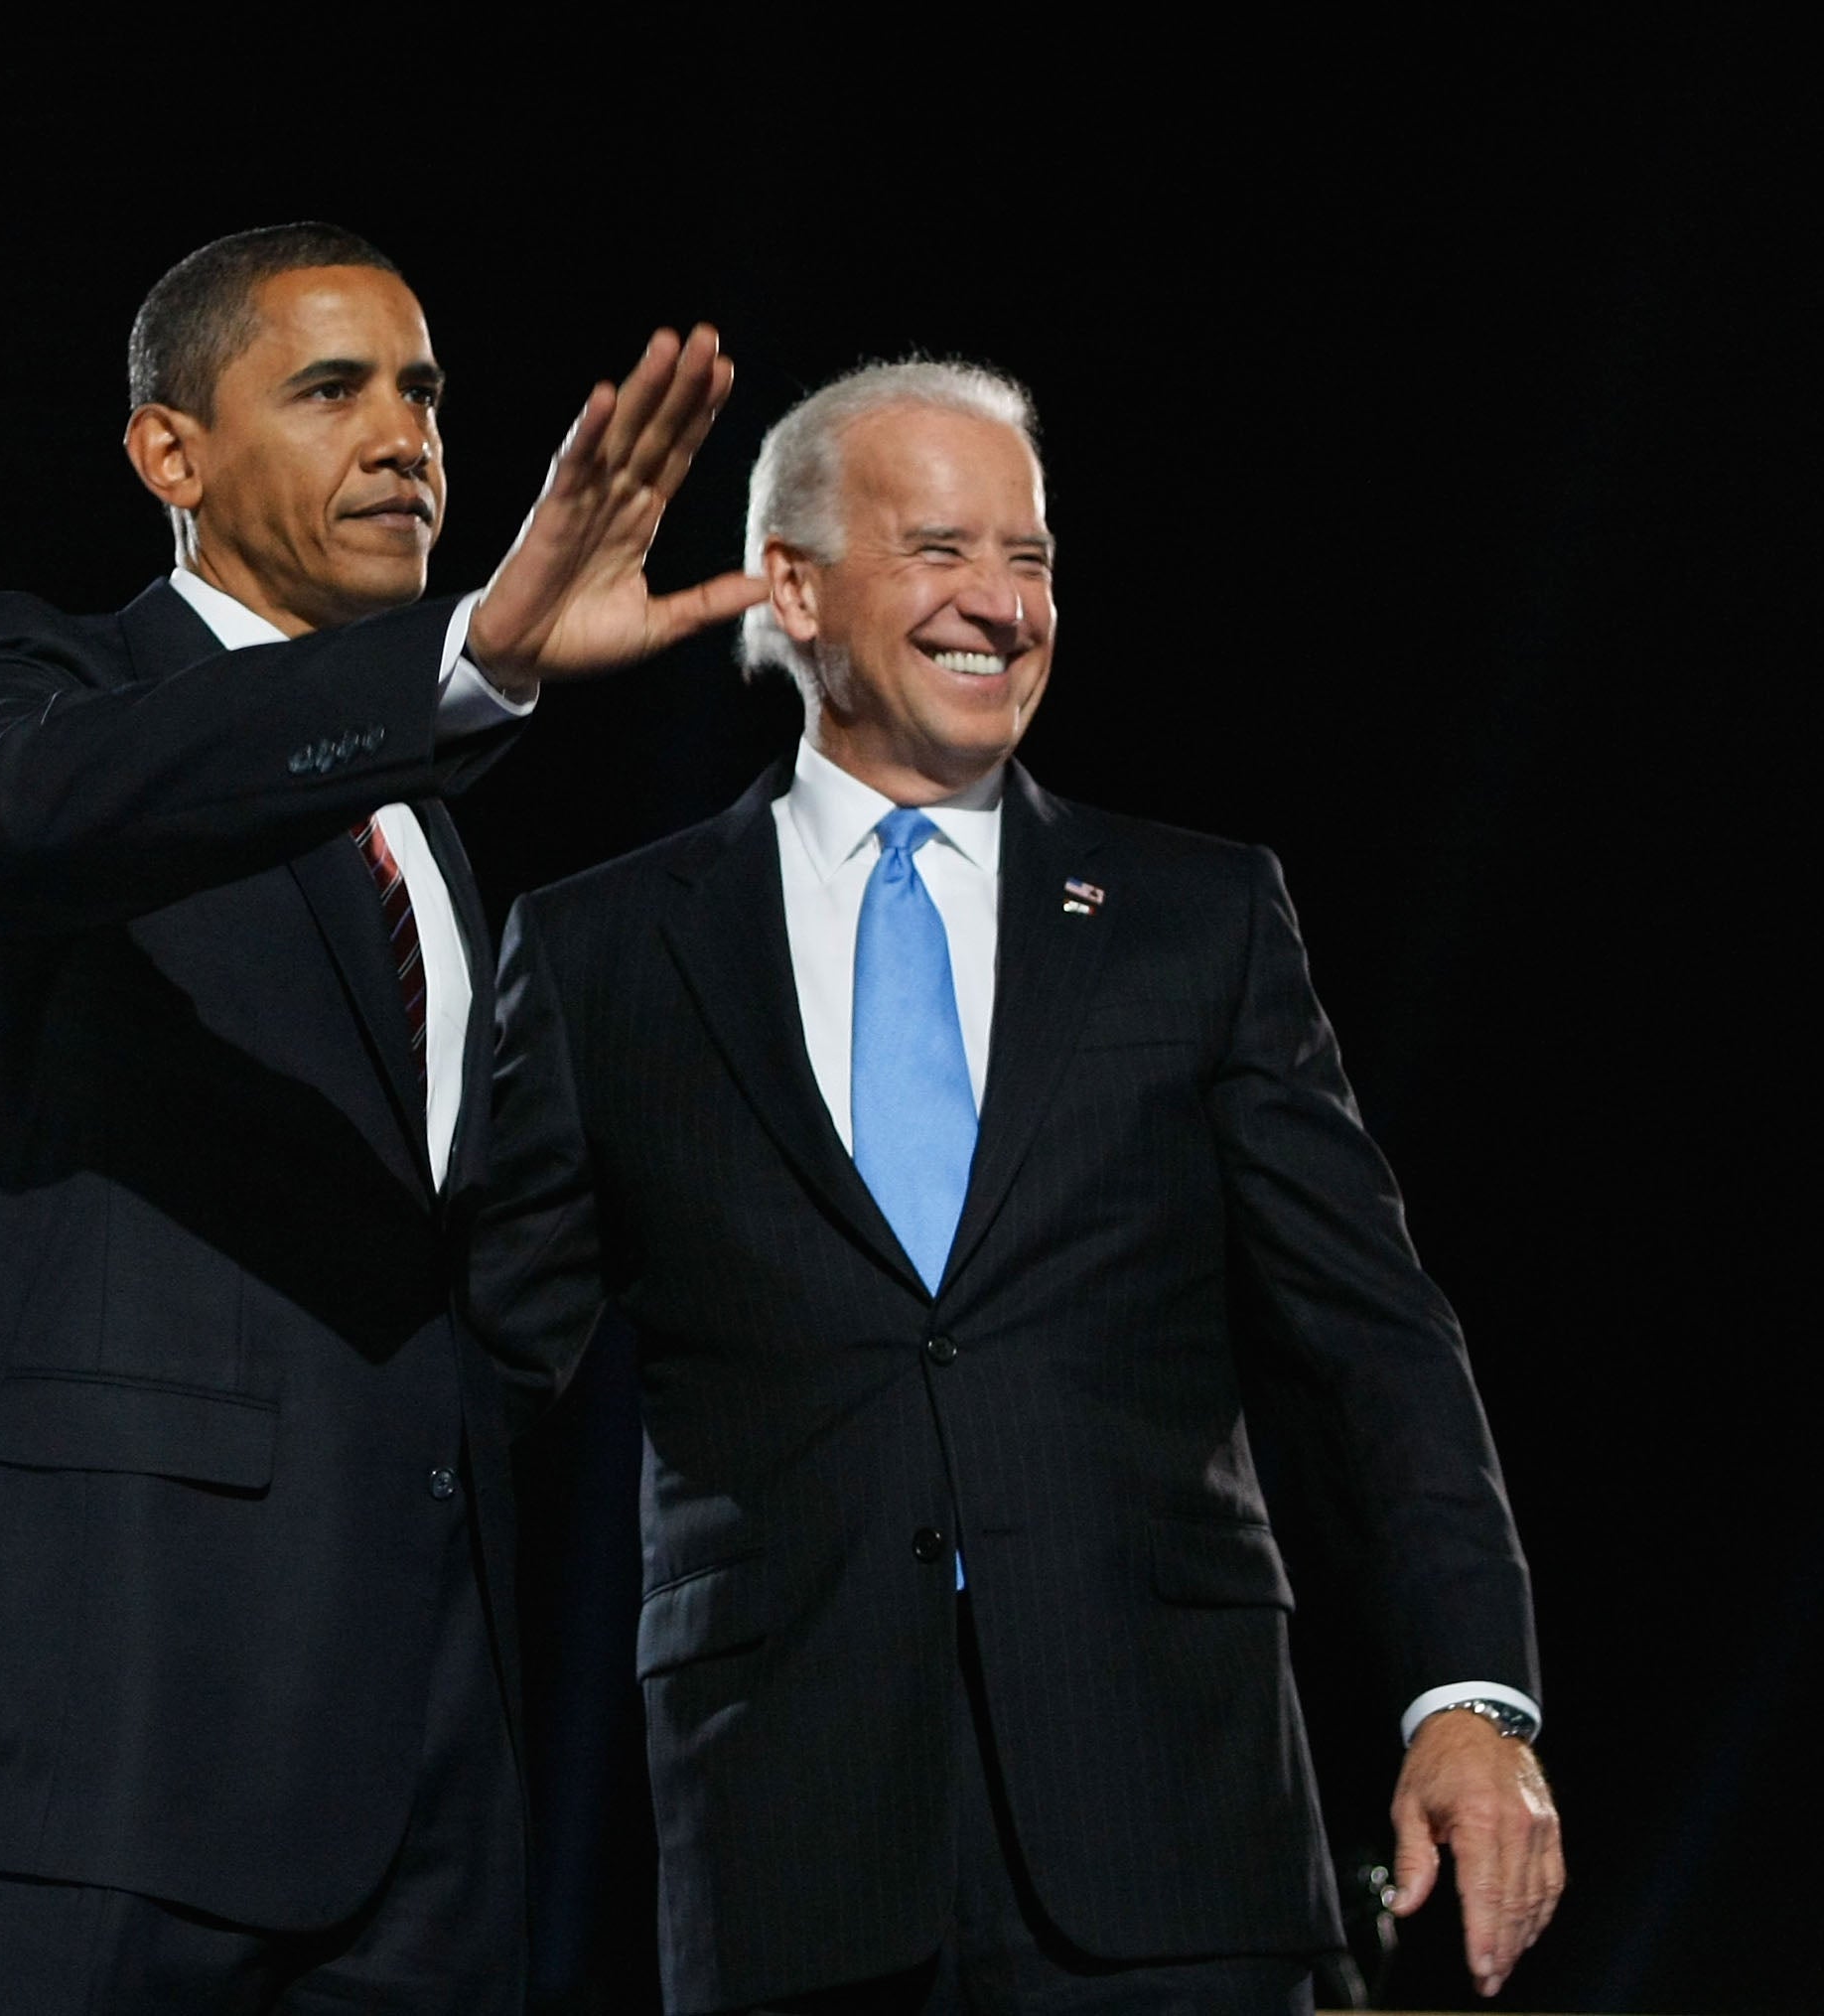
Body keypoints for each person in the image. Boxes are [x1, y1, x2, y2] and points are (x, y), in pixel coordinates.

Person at [473, 360, 1562, 2013]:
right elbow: (472, 1378)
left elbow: (1373, 1337)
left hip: (1179, 1838)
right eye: (939, 551)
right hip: (796, 1846)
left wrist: (1469, 1696)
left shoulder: (1198, 923)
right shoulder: (604, 951)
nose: (1001, 604)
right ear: (795, 585)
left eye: (1032, 559)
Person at [0, 220, 762, 2015]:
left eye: (422, 391)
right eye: (331, 388)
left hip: (415, 1779)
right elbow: (10, 820)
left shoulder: (434, 835)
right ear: (169, 454)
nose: (406, 435)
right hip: (91, 1736)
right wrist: (471, 661)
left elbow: (479, 1257)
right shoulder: (36, 683)